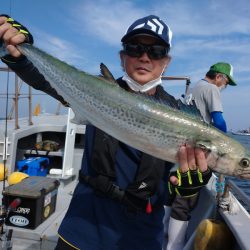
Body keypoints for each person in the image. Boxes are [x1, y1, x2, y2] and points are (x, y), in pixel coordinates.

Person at [0, 14, 212, 250]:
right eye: (135, 48)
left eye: (156, 51)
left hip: (140, 236)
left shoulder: (179, 115)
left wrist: (188, 186)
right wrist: (17, 53)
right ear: (122, 57)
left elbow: (174, 184)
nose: (144, 57)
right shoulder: (95, 90)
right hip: (83, 227)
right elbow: (46, 81)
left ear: (166, 62)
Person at [164, 62, 237, 250]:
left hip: (178, 146)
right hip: (195, 152)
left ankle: (163, 235)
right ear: (219, 77)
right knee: (185, 200)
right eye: (226, 82)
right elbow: (219, 121)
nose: (225, 86)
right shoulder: (212, 88)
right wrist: (227, 146)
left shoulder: (196, 87)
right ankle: (175, 245)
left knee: (173, 193)